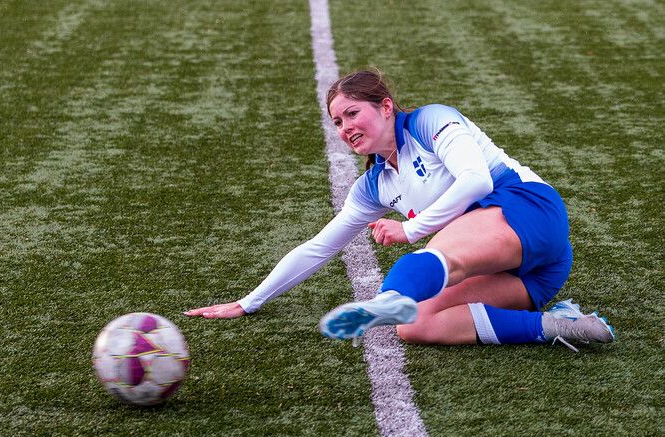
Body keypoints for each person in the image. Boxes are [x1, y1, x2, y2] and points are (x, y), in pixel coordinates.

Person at [185, 69, 614, 350]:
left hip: (531, 213)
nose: (345, 127)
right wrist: (249, 302)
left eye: (352, 113)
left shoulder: (430, 121)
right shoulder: (373, 185)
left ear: (386, 106)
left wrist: (410, 231)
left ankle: (386, 299)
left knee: (432, 257)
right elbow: (319, 247)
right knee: (415, 325)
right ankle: (556, 326)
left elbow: (476, 181)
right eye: (337, 122)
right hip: (534, 275)